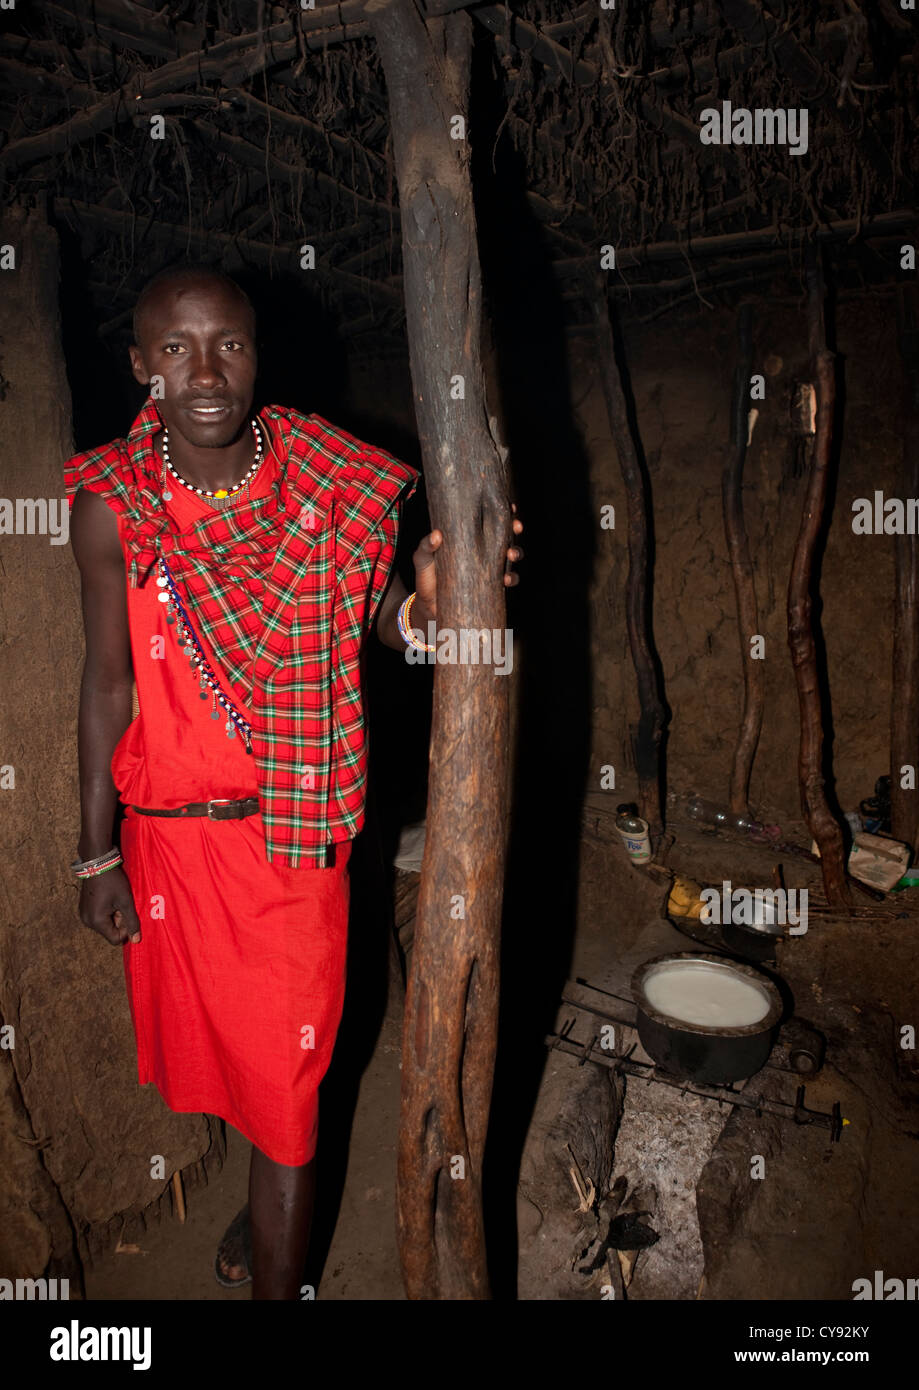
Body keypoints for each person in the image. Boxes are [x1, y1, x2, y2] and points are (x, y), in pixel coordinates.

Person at [65, 265, 523, 1299]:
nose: (205, 371)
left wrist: (437, 608)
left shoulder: (328, 478)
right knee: (237, 1074)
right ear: (143, 367)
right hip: (171, 847)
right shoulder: (113, 506)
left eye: (228, 342)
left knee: (287, 1088)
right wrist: (96, 850)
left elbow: (390, 623)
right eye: (175, 349)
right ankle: (264, 1199)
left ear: (257, 353)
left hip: (288, 846)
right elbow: (105, 682)